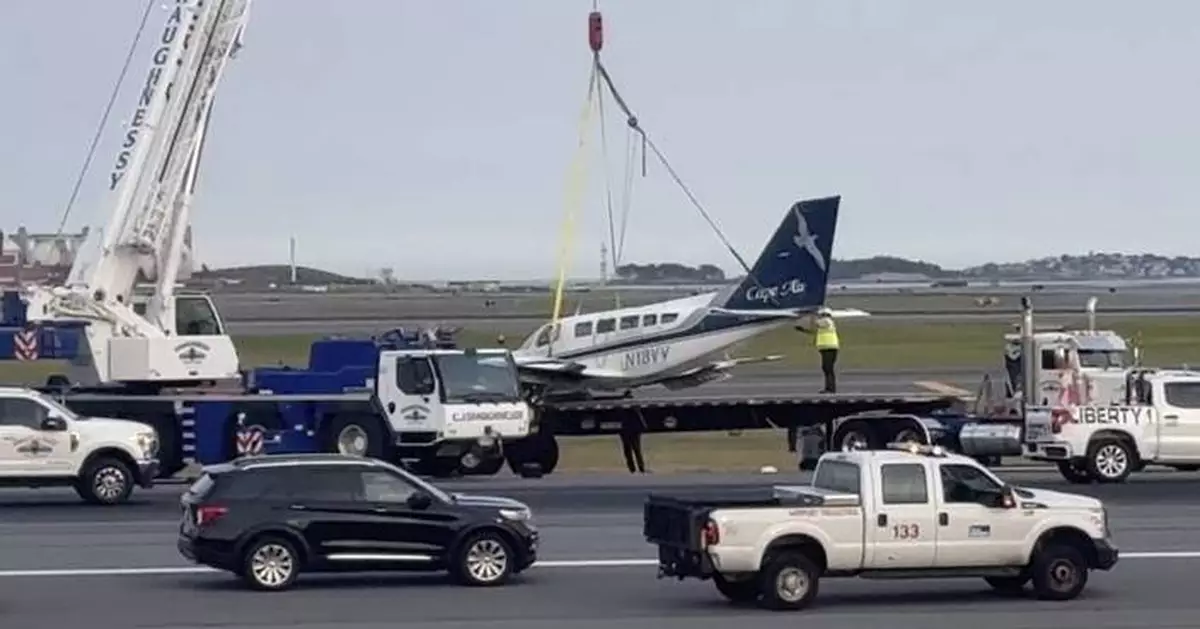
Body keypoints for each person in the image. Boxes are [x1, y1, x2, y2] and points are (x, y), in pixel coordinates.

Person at [796, 307, 840, 393]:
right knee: (827, 368)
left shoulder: (827, 321)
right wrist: (802, 330)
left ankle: (830, 389)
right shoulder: (826, 324)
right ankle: (829, 388)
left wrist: (812, 315)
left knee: (828, 368)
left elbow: (814, 324)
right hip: (826, 348)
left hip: (829, 348)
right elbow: (813, 331)